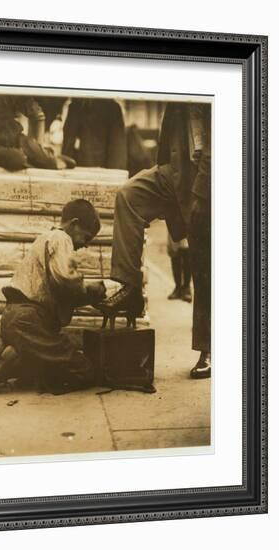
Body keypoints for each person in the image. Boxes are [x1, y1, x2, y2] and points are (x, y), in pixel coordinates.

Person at [98, 102, 211, 379]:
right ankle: (130, 287)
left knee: (205, 269)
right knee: (129, 196)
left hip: (209, 181)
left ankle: (207, 350)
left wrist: (201, 192)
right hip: (174, 173)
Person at [0, 199, 107, 394]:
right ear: (74, 223)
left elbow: (56, 289)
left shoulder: (44, 238)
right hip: (29, 321)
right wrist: (90, 290)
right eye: (86, 237)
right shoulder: (61, 238)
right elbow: (66, 279)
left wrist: (85, 296)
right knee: (85, 369)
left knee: (41, 353)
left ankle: (8, 358)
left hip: (12, 316)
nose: (85, 245)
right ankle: (18, 365)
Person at [62, 98, 127, 169]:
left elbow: (68, 142)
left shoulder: (77, 106)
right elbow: (118, 149)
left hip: (88, 167)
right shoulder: (113, 108)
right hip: (92, 168)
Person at [167, 235, 192, 303]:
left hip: (187, 228)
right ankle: (178, 288)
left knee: (187, 252)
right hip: (174, 226)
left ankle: (186, 288)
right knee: (174, 252)